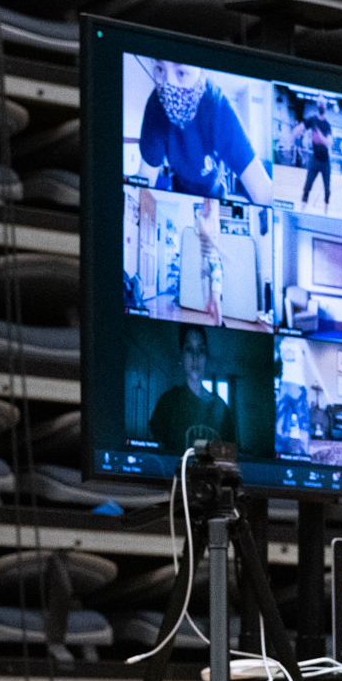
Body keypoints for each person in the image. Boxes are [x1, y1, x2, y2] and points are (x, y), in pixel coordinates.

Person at [137, 61, 271, 205]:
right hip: (179, 192)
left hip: (215, 197)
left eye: (181, 73)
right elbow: (145, 180)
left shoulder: (217, 107)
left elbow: (261, 189)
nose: (167, 85)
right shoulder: (156, 107)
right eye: (160, 69)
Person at [147, 323, 234, 454]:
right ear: (181, 356)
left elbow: (229, 459)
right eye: (189, 349)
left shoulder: (222, 408)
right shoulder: (168, 402)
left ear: (206, 358)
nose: (195, 357)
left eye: (201, 350)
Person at [193, 198, 224, 326]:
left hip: (216, 264)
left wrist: (220, 252)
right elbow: (207, 235)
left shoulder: (216, 222)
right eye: (208, 202)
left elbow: (213, 238)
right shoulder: (199, 220)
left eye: (213, 202)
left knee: (216, 301)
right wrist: (222, 251)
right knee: (208, 307)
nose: (210, 204)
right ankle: (215, 319)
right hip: (205, 266)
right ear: (203, 203)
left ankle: (219, 326)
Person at [299, 104, 333, 211]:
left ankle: (326, 209)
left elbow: (329, 142)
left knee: (327, 188)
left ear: (325, 109)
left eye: (324, 104)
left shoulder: (327, 125)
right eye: (320, 103)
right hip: (314, 160)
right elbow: (301, 127)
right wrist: (297, 130)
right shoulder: (312, 121)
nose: (322, 106)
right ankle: (303, 206)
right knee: (307, 185)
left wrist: (320, 136)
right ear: (318, 107)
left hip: (325, 162)